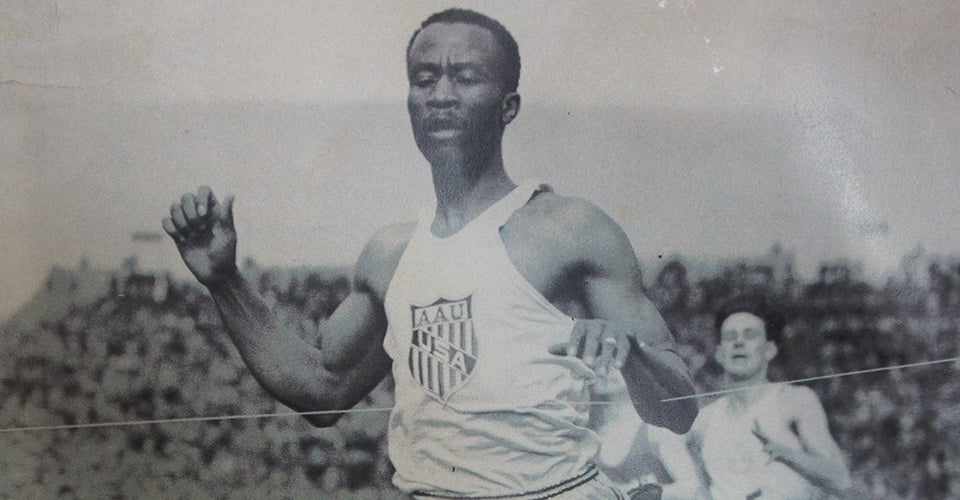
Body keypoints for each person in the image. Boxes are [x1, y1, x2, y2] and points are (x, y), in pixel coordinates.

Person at [162, 8, 697, 499]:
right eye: (424, 79)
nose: (441, 93)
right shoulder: (390, 253)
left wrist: (629, 351)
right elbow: (321, 393)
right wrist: (225, 281)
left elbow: (678, 411)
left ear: (507, 106)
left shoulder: (571, 229)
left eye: (465, 78)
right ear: (410, 103)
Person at [686, 295, 851, 499]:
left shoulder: (794, 401)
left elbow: (840, 479)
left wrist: (784, 454)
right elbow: (702, 493)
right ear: (720, 353)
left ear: (769, 350)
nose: (739, 342)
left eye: (750, 335)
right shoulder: (704, 421)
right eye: (730, 336)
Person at [590, 372, 706, 499]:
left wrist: (641, 491)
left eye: (616, 361)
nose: (606, 370)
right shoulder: (596, 435)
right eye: (598, 360)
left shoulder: (656, 427)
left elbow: (692, 488)